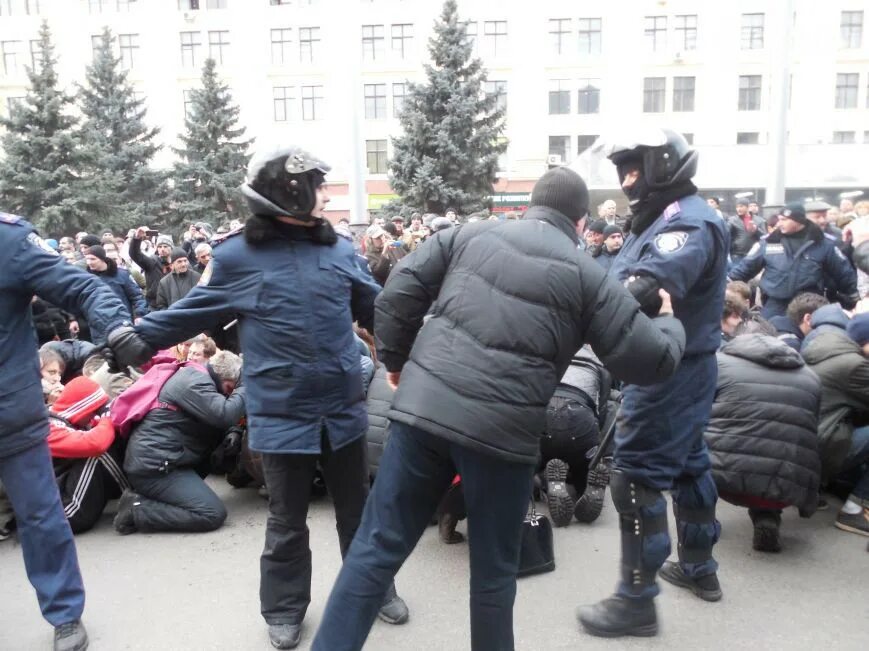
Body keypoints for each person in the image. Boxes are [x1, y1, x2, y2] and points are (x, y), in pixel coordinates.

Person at [311, 165, 687, 651]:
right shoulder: (589, 276)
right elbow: (651, 362)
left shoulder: (468, 235)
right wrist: (671, 322)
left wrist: (400, 365)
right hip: (503, 440)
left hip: (423, 413)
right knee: (492, 578)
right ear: (579, 223)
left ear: (531, 204)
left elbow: (397, 294)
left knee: (373, 552)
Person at [105, 145, 406, 650]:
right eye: (319, 186)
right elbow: (192, 311)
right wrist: (133, 338)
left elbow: (378, 309)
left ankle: (373, 589)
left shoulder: (339, 250)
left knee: (359, 511)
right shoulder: (236, 256)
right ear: (293, 193)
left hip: (341, 408)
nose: (327, 195)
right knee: (286, 520)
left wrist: (414, 342)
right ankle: (285, 607)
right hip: (282, 414)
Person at [578, 128, 729, 638]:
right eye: (622, 168)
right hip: (680, 362)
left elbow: (643, 289)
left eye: (635, 167)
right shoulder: (667, 216)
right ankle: (698, 566)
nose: (626, 179)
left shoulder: (683, 222)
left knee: (635, 478)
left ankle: (636, 599)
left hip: (670, 368)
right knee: (689, 463)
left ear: (665, 164)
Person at [0, 211, 132, 651]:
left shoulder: (9, 241)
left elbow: (82, 286)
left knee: (40, 517)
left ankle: (64, 614)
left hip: (11, 415)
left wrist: (115, 325)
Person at [705, 317, 822, 552]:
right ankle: (767, 517)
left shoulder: (717, 364)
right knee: (777, 445)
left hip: (724, 479)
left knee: (696, 439)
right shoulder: (810, 376)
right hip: (787, 486)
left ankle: (703, 521)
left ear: (735, 339)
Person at [115, 350, 246, 535]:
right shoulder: (193, 381)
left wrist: (234, 431)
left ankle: (166, 497)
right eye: (230, 389)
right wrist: (245, 385)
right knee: (211, 513)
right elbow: (224, 414)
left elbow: (219, 417)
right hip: (155, 469)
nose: (230, 394)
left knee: (220, 443)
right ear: (225, 379)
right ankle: (136, 508)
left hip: (168, 460)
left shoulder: (198, 377)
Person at [802, 312, 869, 539]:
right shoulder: (855, 366)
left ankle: (833, 484)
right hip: (818, 448)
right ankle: (856, 508)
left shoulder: (827, 346)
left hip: (803, 442)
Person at [729, 203, 858, 318]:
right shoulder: (769, 242)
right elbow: (745, 269)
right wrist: (726, 287)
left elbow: (844, 274)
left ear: (799, 221)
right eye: (779, 220)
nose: (779, 224)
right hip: (775, 304)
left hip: (809, 306)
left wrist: (853, 299)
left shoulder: (823, 244)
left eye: (784, 220)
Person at [48, 377, 127, 534]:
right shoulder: (48, 427)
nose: (93, 417)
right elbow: (95, 444)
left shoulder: (65, 421)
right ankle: (132, 493)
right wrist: (107, 417)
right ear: (81, 409)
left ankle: (132, 492)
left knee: (107, 440)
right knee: (97, 453)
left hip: (60, 503)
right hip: (63, 515)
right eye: (94, 410)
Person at [84, 245, 149, 321]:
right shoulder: (86, 278)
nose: (89, 262)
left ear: (102, 259)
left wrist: (140, 315)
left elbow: (137, 296)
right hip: (97, 322)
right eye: (87, 259)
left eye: (93, 259)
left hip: (122, 320)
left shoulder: (122, 274)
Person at [128, 229, 174, 309]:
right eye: (159, 247)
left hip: (173, 303)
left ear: (171, 248)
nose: (162, 249)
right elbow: (135, 255)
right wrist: (137, 239)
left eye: (165, 246)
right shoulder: (152, 262)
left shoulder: (178, 263)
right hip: (156, 305)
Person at [727, 198, 765, 263]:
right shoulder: (732, 220)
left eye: (741, 206)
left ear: (747, 207)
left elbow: (765, 237)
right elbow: (726, 233)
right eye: (737, 207)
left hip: (754, 254)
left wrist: (756, 230)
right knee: (737, 272)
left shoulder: (759, 220)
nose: (738, 209)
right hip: (737, 254)